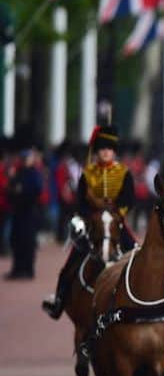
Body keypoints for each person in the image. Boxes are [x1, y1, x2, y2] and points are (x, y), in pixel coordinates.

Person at [42, 124, 137, 316]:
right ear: (96, 151)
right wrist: (91, 213)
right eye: (102, 149)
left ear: (114, 152)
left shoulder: (124, 173)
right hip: (93, 223)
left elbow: (129, 199)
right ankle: (59, 299)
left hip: (116, 221)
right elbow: (80, 202)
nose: (105, 153)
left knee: (135, 253)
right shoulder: (88, 174)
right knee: (71, 262)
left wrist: (117, 212)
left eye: (109, 149)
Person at [6, 135, 45, 280]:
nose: (24, 161)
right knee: (16, 241)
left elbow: (37, 190)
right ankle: (17, 268)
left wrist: (21, 190)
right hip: (18, 211)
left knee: (28, 242)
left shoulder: (34, 173)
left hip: (29, 211)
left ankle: (28, 269)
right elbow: (10, 189)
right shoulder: (18, 172)